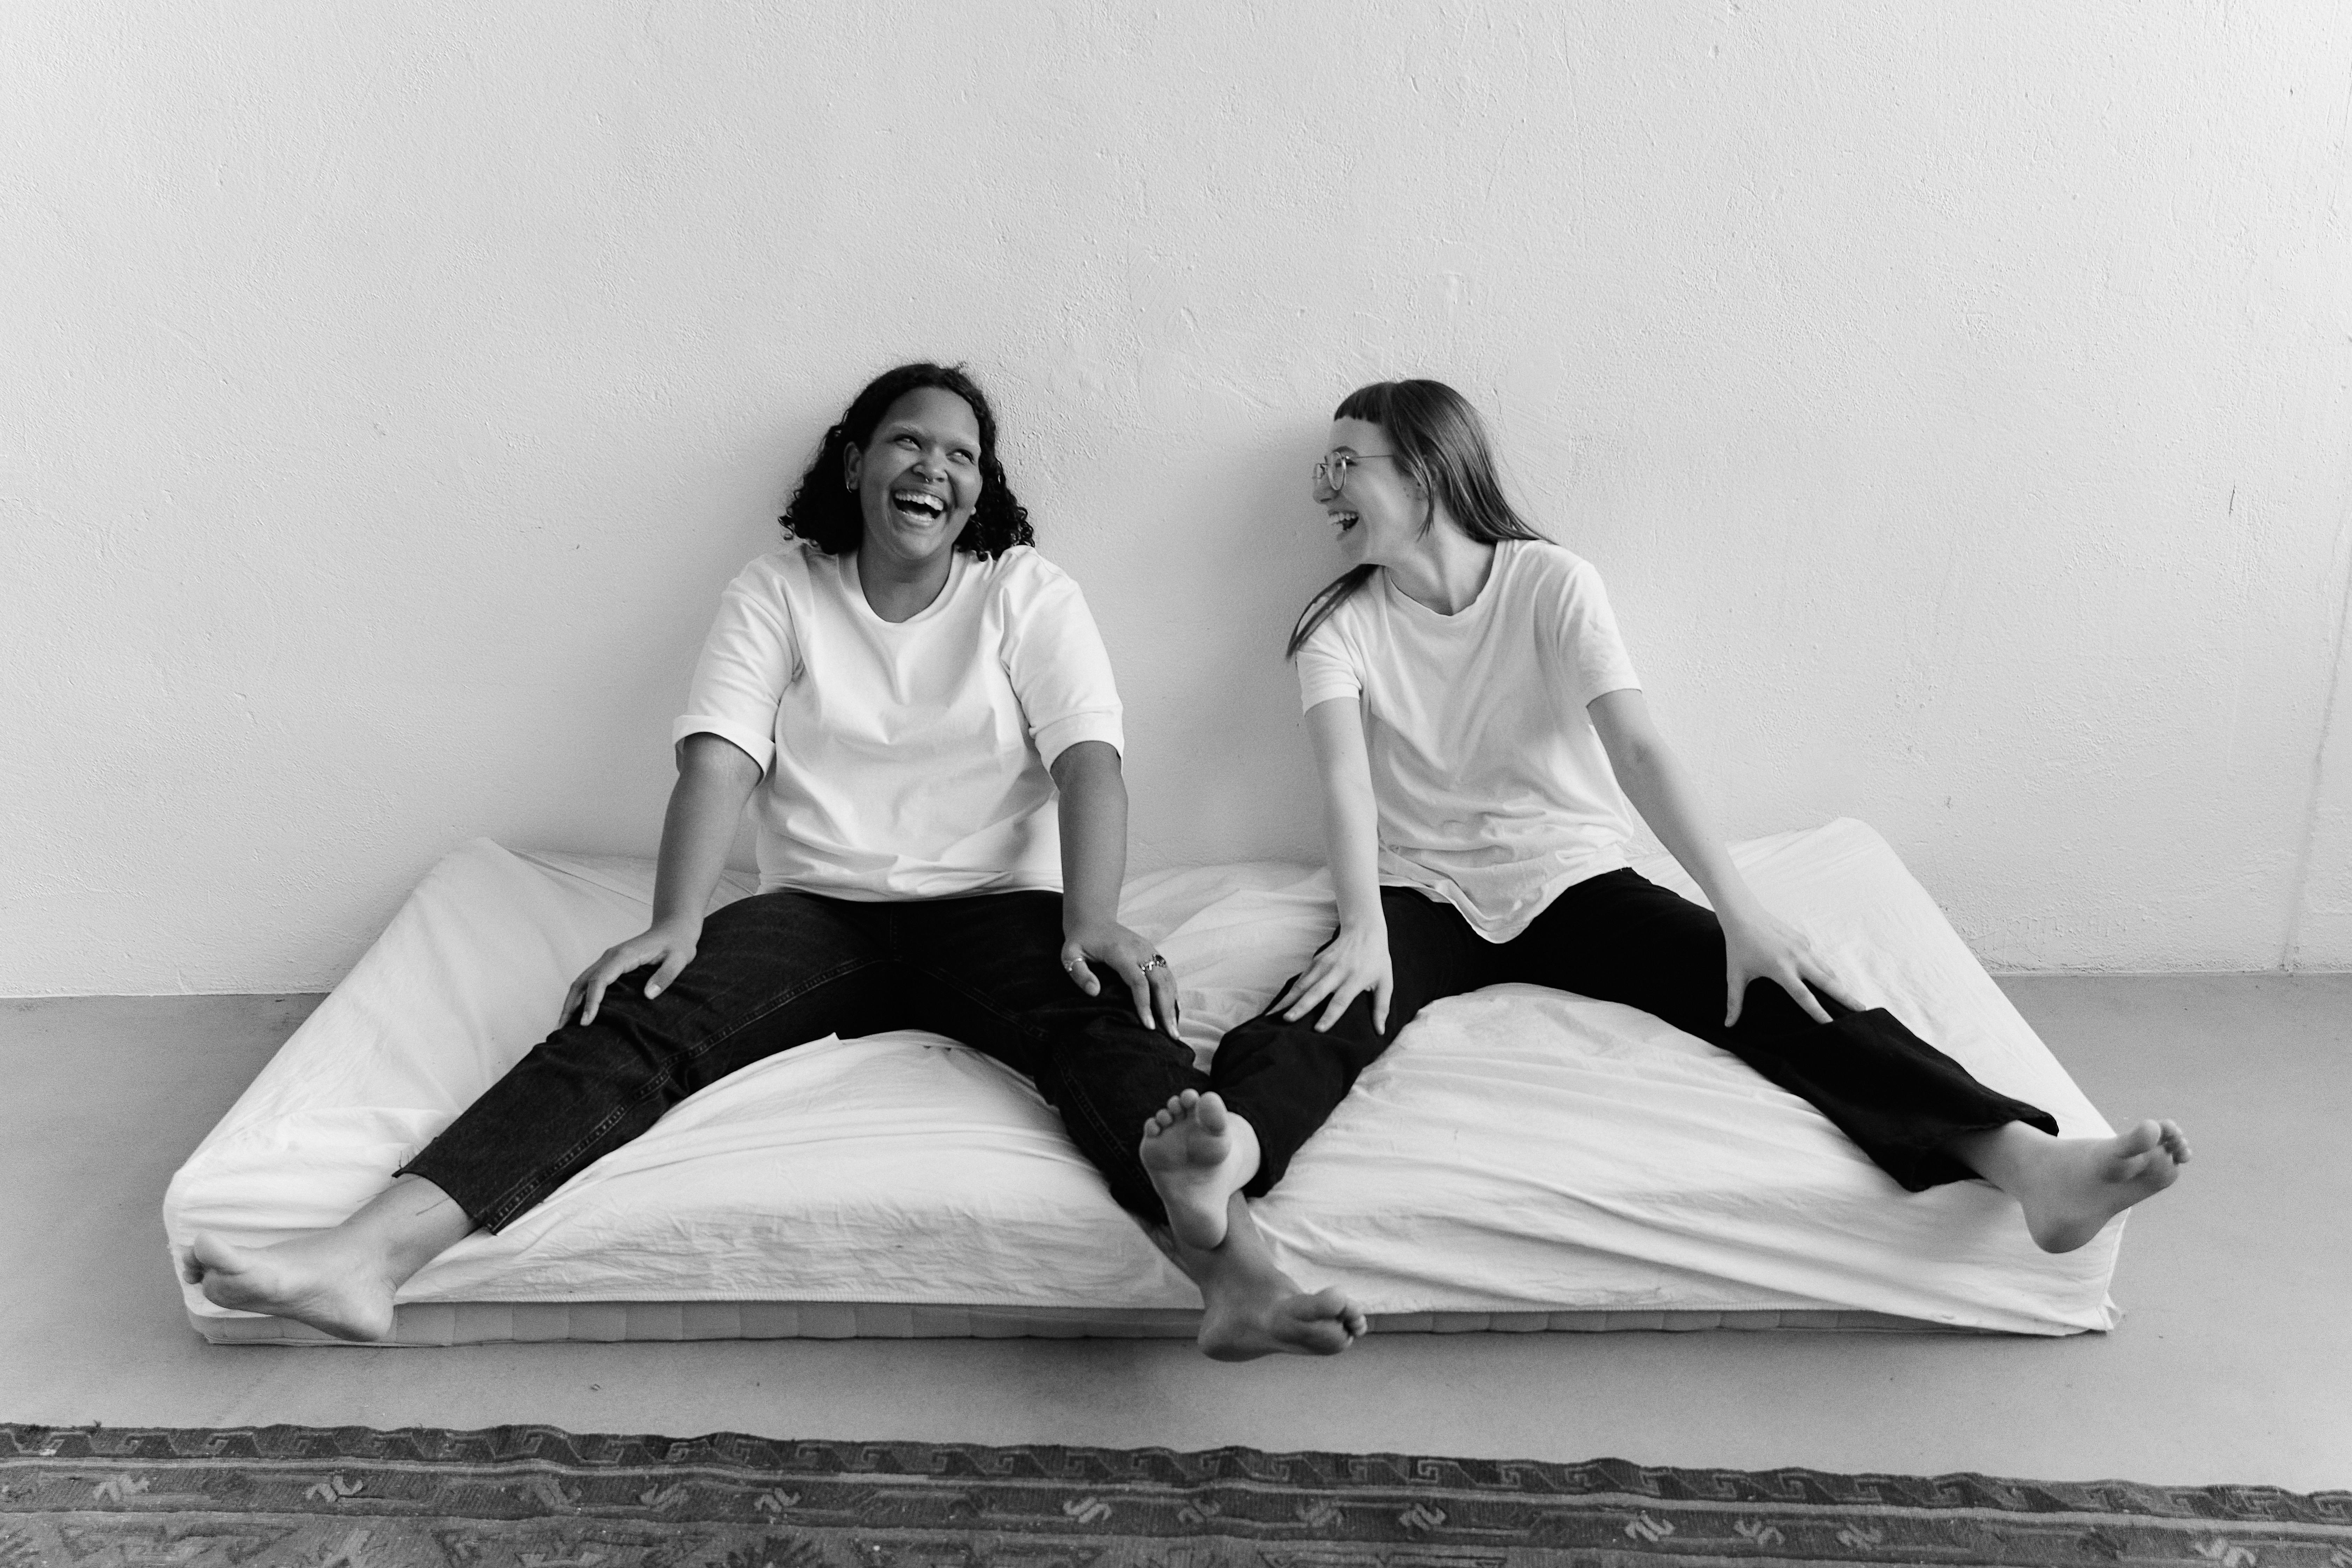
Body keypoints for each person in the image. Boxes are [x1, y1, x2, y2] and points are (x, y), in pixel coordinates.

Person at [183, 362, 1363, 1360]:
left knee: (1109, 1023)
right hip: (819, 912)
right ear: (856, 461)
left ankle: (1242, 1280)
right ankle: (364, 1259)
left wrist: (1092, 919)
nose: (935, 469)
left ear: (980, 489)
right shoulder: (780, 590)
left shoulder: (1025, 594)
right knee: (636, 1020)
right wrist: (675, 921)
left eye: (962, 456)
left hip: (991, 906)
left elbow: (1091, 768)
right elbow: (719, 765)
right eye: (909, 442)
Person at [1140, 377, 2190, 1273]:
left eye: (1345, 465)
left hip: (1571, 878)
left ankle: (2029, 1165)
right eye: (1321, 468)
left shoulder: (1552, 583)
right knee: (1317, 1014)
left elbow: (1639, 750)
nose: (1322, 489)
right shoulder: (1340, 626)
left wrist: (1741, 912)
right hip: (1427, 889)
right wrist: (1365, 926)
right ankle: (1226, 1161)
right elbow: (1346, 787)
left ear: (1423, 472)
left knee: (1785, 994)